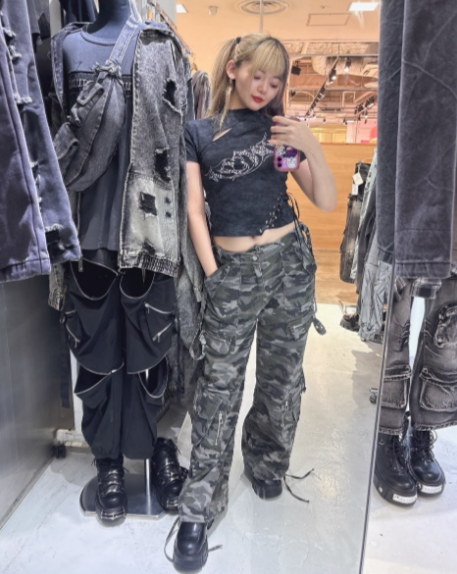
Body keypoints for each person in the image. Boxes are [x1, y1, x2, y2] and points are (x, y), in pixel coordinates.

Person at [172, 33, 337, 571]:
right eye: (257, 74)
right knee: (218, 386)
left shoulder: (279, 132)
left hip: (289, 264)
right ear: (233, 69)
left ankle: (267, 462)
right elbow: (194, 210)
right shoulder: (199, 133)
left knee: (281, 379)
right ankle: (199, 505)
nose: (265, 87)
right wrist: (214, 274)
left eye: (276, 79)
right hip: (232, 272)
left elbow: (325, 199)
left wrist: (309, 143)